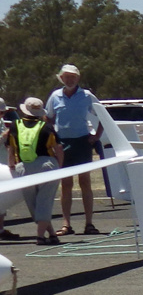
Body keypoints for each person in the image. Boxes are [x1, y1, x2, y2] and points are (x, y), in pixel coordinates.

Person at [45, 64, 101, 236]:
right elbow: (48, 118)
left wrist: (96, 136)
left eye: (73, 77)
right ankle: (66, 224)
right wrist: (53, 139)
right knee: (66, 183)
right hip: (63, 143)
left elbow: (103, 116)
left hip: (82, 142)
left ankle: (89, 224)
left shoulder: (86, 96)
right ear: (61, 78)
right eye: (66, 77)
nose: (70, 80)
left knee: (85, 182)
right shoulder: (55, 96)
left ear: (78, 79)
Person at [5, 97, 63, 245]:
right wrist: (60, 167)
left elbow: (11, 149)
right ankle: (40, 236)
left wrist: (11, 165)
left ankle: (51, 234)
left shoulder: (14, 125)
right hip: (46, 165)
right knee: (45, 201)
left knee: (33, 204)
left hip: (23, 167)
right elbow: (58, 148)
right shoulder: (47, 127)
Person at [0, 98, 24, 242]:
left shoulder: (1, 122)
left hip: (3, 163)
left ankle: (1, 229)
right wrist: (5, 135)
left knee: (3, 200)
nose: (2, 115)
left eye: (3, 112)